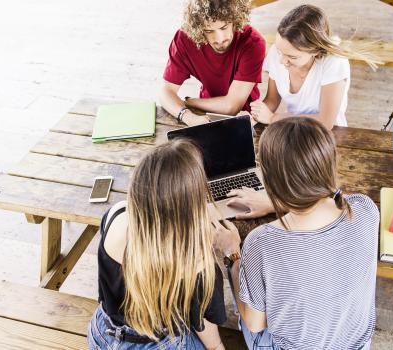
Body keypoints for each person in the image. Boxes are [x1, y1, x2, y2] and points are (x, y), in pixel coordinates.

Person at [213, 117, 379, 349]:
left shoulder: (261, 242)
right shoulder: (365, 208)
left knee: (249, 303)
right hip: (356, 345)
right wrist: (276, 203)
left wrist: (232, 255)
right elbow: (333, 198)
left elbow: (255, 323)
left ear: (270, 181)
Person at [88, 139, 227, 350]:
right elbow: (208, 333)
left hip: (102, 334)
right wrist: (229, 251)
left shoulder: (116, 214)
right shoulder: (197, 261)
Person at [250, 4, 378, 130]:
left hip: (327, 136)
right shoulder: (277, 52)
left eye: (293, 57)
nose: (282, 61)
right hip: (291, 128)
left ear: (315, 51)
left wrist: (273, 119)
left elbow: (325, 122)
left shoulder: (334, 63)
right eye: (279, 51)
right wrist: (255, 116)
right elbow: (272, 100)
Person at [159, 0, 266, 126]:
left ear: (235, 19)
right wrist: (189, 117)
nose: (219, 39)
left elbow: (231, 107)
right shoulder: (184, 39)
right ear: (198, 29)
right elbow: (165, 92)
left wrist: (191, 102)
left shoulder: (253, 43)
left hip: (246, 116)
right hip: (203, 113)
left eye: (224, 27)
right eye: (209, 31)